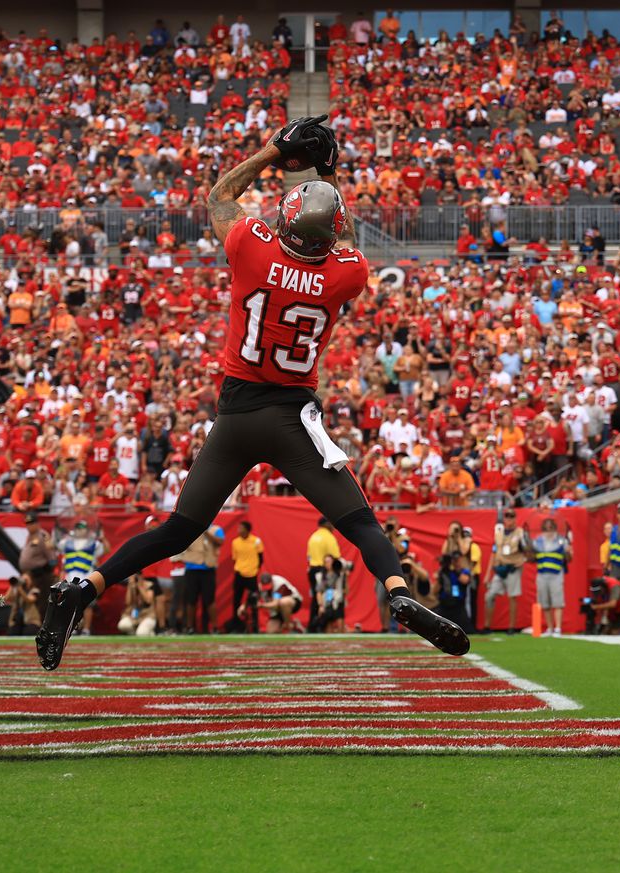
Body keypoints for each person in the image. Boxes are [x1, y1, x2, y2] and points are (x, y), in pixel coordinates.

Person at [36, 117, 468, 671]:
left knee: (178, 530)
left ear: (283, 222)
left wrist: (271, 152)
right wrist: (329, 176)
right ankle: (399, 590)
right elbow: (346, 238)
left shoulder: (252, 247)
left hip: (236, 415)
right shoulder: (346, 275)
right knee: (359, 524)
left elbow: (220, 194)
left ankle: (84, 588)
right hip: (291, 419)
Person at [485, 509, 531, 633]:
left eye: (512, 517)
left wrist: (523, 560)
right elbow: (493, 553)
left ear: (515, 518)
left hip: (513, 568)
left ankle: (511, 627)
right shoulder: (498, 533)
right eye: (507, 517)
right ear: (504, 519)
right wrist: (488, 574)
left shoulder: (521, 533)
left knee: (512, 597)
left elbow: (529, 550)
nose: (509, 519)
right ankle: (487, 626)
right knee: (490, 596)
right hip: (500, 568)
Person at [58, 520, 105, 634]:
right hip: (70, 576)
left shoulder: (94, 543)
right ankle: (71, 628)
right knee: (69, 604)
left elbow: (106, 550)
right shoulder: (66, 542)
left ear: (87, 530)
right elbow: (54, 547)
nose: (80, 530)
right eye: (78, 527)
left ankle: (86, 629)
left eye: (82, 528)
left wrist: (102, 537)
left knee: (88, 603)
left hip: (86, 575)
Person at [179, 523, 224, 633]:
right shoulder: (190, 528)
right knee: (191, 600)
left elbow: (220, 542)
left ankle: (214, 627)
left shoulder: (216, 529)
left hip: (208, 569)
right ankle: (190, 627)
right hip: (191, 568)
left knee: (210, 600)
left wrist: (205, 532)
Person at [532, 517, 571, 636]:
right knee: (545, 602)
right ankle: (549, 628)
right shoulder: (537, 541)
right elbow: (532, 558)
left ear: (554, 528)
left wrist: (568, 551)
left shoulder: (561, 541)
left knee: (557, 602)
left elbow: (569, 559)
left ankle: (558, 628)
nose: (548, 530)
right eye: (546, 528)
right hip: (542, 574)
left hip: (556, 574)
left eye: (551, 527)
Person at [305, 516, 341, 630]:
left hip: (312, 569)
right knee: (326, 599)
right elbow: (335, 558)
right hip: (322, 571)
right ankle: (321, 625)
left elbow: (308, 556)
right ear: (326, 524)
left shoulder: (313, 536)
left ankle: (313, 625)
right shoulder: (329, 537)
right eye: (331, 523)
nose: (333, 527)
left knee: (316, 599)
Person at [229, 520, 263, 632]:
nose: (239, 530)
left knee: (254, 601)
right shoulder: (235, 542)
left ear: (247, 529)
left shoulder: (256, 541)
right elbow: (234, 559)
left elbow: (261, 558)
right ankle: (236, 626)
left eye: (241, 528)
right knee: (236, 601)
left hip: (252, 575)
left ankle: (255, 626)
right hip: (239, 574)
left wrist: (254, 569)